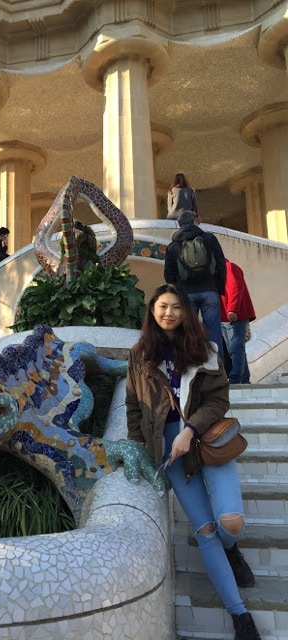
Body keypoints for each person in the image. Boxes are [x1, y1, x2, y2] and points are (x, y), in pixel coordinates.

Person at [126, 283, 261, 640]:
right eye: (162, 306)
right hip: (169, 452)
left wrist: (189, 430)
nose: (168, 312)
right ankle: (240, 614)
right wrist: (139, 448)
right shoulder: (139, 354)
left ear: (186, 311)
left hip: (207, 442)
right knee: (204, 531)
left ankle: (233, 549)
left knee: (229, 524)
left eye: (175, 307)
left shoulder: (206, 349)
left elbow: (218, 401)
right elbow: (132, 408)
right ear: (152, 311)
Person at [164, 210, 226, 360]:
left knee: (187, 331)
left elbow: (168, 275)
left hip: (186, 294)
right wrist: (219, 286)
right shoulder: (209, 239)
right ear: (195, 222)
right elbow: (221, 264)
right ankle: (217, 369)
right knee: (213, 331)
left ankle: (190, 367)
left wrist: (179, 286)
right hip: (210, 291)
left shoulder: (173, 246)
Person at [221, 259, 256, 385]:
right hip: (224, 317)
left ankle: (235, 378)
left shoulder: (229, 267)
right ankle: (244, 379)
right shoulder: (217, 270)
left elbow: (235, 287)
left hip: (234, 315)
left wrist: (232, 309)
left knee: (235, 348)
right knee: (234, 349)